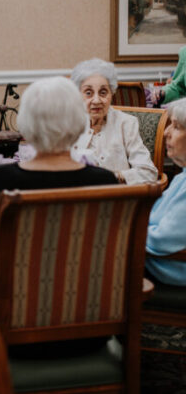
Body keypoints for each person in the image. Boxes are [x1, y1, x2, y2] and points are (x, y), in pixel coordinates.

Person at [0, 76, 118, 299]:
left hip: (13, 313)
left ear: (26, 125)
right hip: (86, 310)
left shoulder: (0, 180)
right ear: (78, 121)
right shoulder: (104, 181)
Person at [71, 57, 157, 184]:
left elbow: (148, 173)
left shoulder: (126, 124)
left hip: (118, 198)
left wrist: (114, 177)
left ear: (112, 93)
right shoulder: (67, 124)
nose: (96, 100)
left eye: (103, 92)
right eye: (88, 93)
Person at [146, 98, 186, 285]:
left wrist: (120, 231)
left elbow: (162, 240)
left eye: (176, 127)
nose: (166, 133)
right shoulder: (181, 176)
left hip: (172, 270)